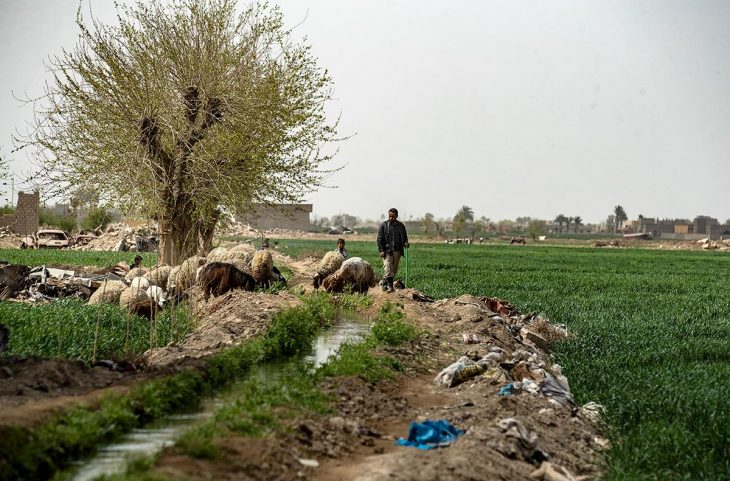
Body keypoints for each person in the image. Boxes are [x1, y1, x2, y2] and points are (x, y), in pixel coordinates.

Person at [377, 207, 409, 292]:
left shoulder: (401, 226)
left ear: (396, 216)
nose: (391, 218)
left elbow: (405, 238)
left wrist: (406, 243)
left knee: (394, 271)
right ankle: (390, 287)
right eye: (390, 216)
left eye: (393, 216)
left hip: (397, 251)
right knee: (388, 269)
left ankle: (383, 283)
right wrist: (381, 250)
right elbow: (379, 239)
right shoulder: (384, 225)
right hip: (387, 251)